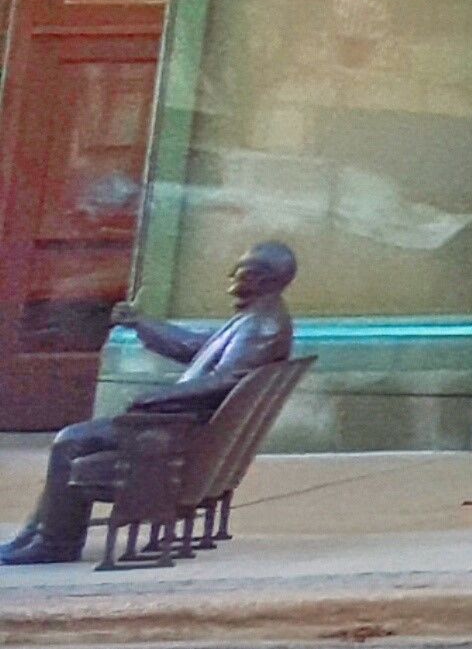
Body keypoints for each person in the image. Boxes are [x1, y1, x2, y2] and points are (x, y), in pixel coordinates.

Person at [5, 241, 297, 565]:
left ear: (263, 279)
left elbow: (226, 381)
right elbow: (194, 346)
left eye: (241, 272)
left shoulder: (262, 325)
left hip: (174, 433)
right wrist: (140, 322)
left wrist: (155, 398)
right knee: (75, 440)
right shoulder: (255, 318)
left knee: (71, 441)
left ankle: (55, 542)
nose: (231, 276)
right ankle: (37, 535)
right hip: (179, 426)